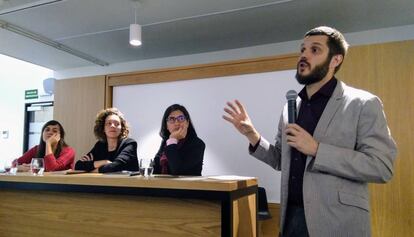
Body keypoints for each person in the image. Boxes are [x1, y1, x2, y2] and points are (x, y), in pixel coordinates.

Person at [223, 26, 397, 237]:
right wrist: (252, 135)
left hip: (338, 223)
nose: (304, 55)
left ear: (336, 60)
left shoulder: (363, 104)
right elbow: (281, 160)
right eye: (302, 50)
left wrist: (317, 150)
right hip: (290, 220)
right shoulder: (290, 106)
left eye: (315, 50)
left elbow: (381, 167)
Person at [74, 108, 138, 173]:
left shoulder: (129, 143)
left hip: (127, 182)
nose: (112, 126)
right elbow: (78, 165)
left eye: (117, 124)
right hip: (104, 182)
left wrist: (93, 170)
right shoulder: (100, 145)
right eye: (109, 123)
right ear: (103, 129)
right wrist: (104, 162)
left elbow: (117, 166)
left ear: (122, 128)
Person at [153, 104, 205, 176]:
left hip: (186, 186)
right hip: (163, 186)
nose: (177, 123)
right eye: (172, 119)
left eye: (181, 118)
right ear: (167, 126)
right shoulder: (165, 142)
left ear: (187, 123)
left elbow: (178, 171)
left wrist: (172, 141)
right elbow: (154, 170)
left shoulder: (197, 144)